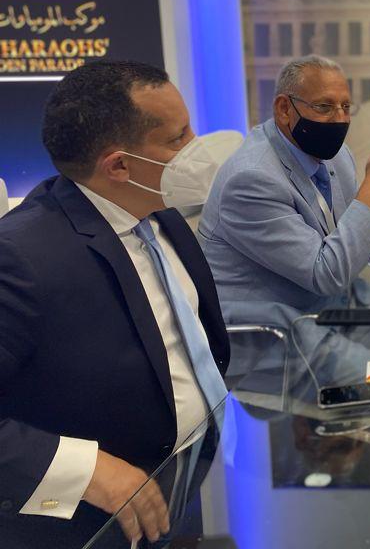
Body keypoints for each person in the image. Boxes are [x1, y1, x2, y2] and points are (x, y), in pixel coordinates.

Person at [0, 61, 230, 548]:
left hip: (183, 480)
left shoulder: (161, 213)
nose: (196, 149)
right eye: (178, 138)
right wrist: (87, 471)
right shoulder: (19, 258)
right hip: (93, 524)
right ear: (119, 166)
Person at [199, 56, 370, 378]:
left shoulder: (336, 156)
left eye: (345, 107)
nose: (339, 119)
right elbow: (327, 273)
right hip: (276, 334)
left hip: (331, 306)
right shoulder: (250, 179)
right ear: (284, 109)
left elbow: (350, 245)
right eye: (324, 107)